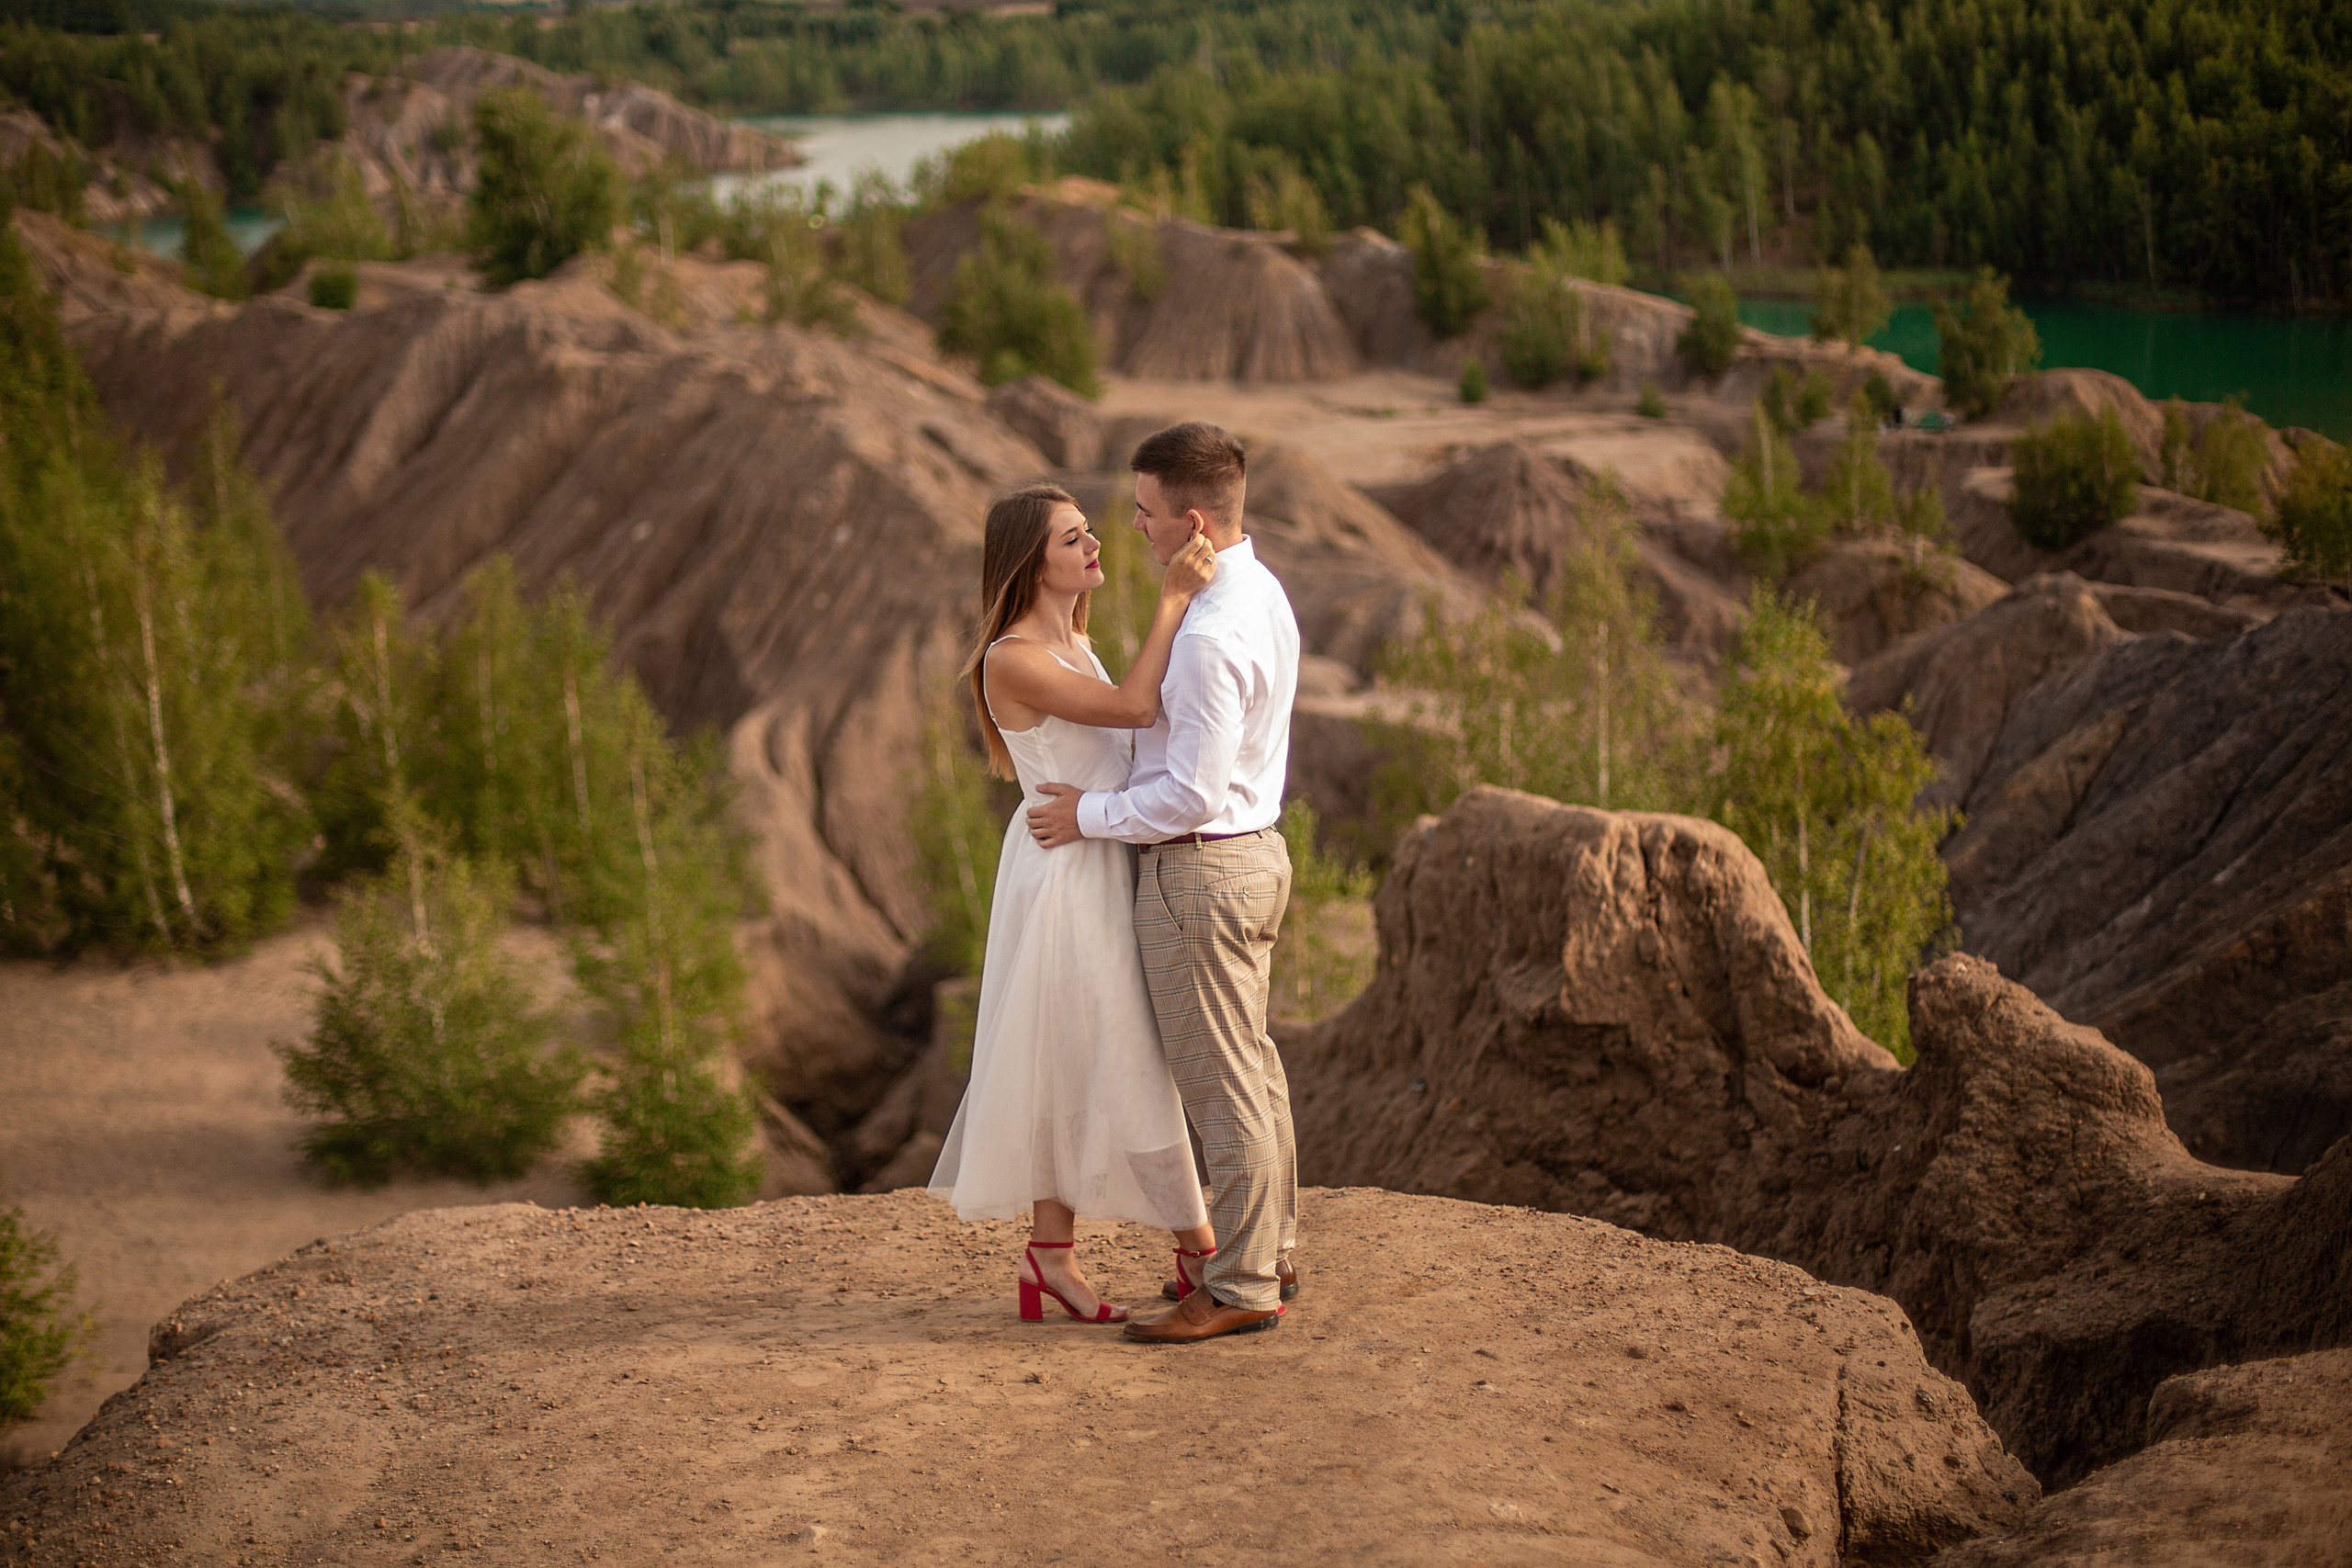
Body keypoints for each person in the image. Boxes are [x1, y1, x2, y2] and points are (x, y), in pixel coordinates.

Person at [1025, 423, 1304, 1345]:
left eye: (1142, 514)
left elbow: (1187, 794)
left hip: (1200, 873)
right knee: (1253, 1069)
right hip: (1253, 854)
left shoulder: (1210, 634)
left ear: (1189, 521)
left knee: (1222, 1084)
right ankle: (1271, 1250)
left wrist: (1088, 818)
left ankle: (1239, 1287)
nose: (1130, 530)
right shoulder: (1259, 592)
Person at [927, 481, 1221, 1325]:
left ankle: (1049, 1255)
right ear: (1032, 562)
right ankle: (1202, 1248)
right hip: (1066, 874)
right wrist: (1174, 599)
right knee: (1125, 1053)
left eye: (1091, 531)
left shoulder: (1075, 642)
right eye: (1071, 539)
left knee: (1074, 1057)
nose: (1094, 545)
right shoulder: (1012, 655)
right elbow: (1133, 706)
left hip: (1096, 850)